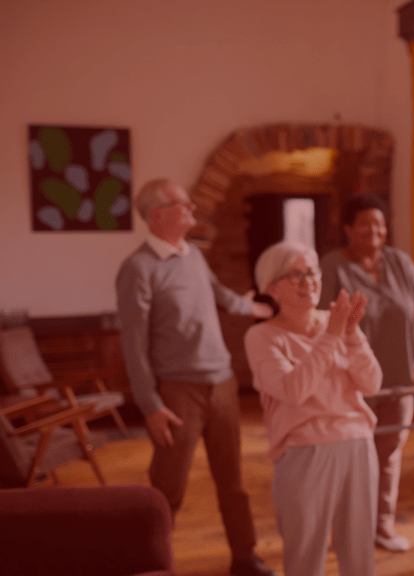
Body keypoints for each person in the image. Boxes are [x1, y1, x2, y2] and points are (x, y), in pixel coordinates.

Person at [115, 178, 277, 576]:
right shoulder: (137, 269)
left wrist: (261, 308)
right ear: (157, 214)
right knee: (168, 488)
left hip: (222, 384)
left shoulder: (195, 257)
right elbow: (132, 344)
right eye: (181, 202)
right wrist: (150, 405)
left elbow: (223, 296)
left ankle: (245, 557)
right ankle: (149, 562)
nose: (190, 206)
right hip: (178, 392)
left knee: (233, 483)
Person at [318, 193, 414, 552]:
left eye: (379, 223)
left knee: (388, 454)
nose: (373, 230)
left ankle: (381, 525)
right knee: (350, 453)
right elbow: (320, 322)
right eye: (364, 223)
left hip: (398, 379)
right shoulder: (333, 265)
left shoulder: (400, 262)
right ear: (348, 229)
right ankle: (346, 527)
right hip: (349, 381)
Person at [245, 241, 382, 576]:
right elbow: (295, 390)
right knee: (305, 555)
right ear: (272, 288)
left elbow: (372, 383)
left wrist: (350, 334)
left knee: (360, 554)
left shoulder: (335, 323)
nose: (308, 281)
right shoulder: (262, 337)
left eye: (312, 271)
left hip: (358, 444)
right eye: (296, 275)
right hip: (304, 451)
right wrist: (334, 334)